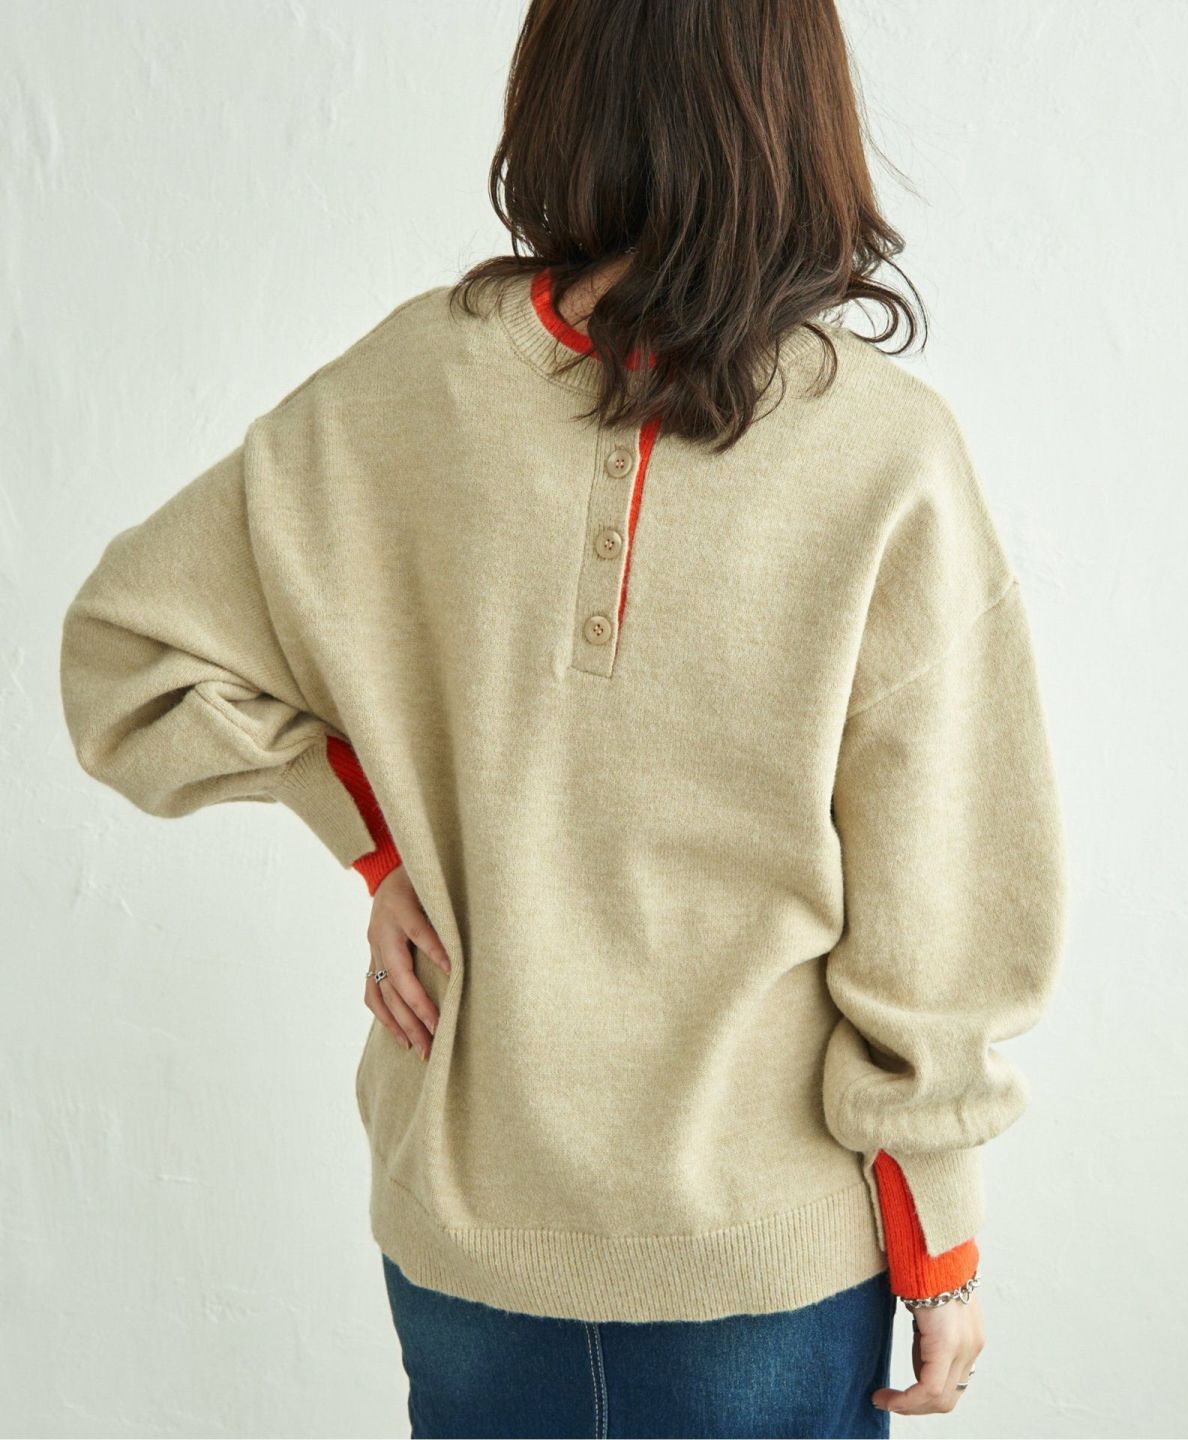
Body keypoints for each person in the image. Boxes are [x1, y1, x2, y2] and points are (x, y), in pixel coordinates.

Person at [57, 0, 1068, 1436]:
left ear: (558, 90)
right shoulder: (886, 450)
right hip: (763, 1267)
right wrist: (940, 1246)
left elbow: (129, 651)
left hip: (469, 1252)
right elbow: (942, 906)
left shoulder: (410, 385)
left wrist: (375, 843)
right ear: (799, 111)